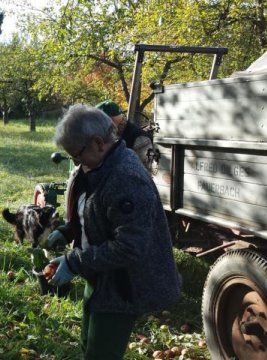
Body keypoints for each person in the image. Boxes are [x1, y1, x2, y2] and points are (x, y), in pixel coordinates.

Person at [45, 104, 181, 360]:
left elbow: (129, 247)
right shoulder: (100, 166)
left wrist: (74, 262)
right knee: (89, 346)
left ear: (97, 142)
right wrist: (68, 231)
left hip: (122, 285)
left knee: (101, 354)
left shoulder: (125, 178)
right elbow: (97, 213)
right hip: (99, 275)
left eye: (76, 154)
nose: (76, 162)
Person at [96, 100, 153, 168]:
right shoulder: (111, 134)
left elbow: (144, 170)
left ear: (109, 120)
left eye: (98, 122)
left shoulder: (139, 138)